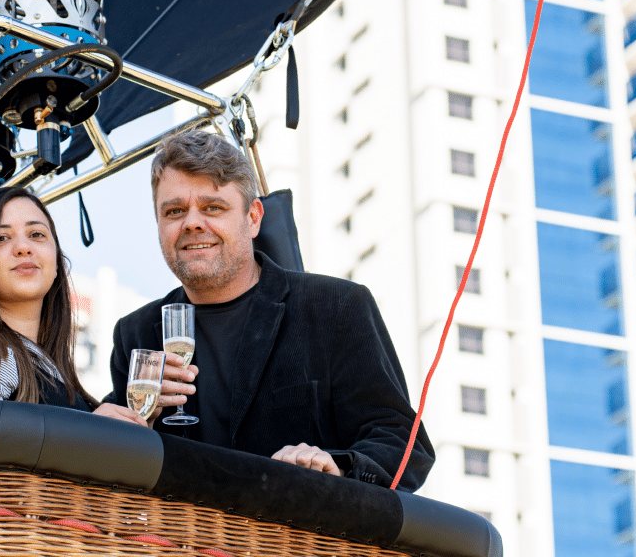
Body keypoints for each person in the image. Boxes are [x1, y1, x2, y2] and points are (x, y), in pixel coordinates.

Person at [107, 130, 434, 491]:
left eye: (213, 207)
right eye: (174, 211)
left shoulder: (336, 307)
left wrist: (337, 466)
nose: (193, 222)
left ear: (253, 217)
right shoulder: (135, 335)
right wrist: (118, 425)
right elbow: (117, 458)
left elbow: (403, 443)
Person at [0, 186, 146, 427]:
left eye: (37, 235)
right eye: (1, 238)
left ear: (57, 263)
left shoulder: (48, 368)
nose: (24, 247)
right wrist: (88, 434)